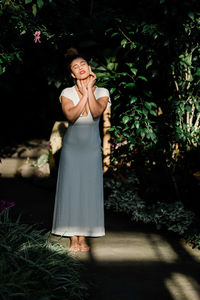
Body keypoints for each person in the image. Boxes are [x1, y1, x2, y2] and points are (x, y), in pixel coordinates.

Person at [51, 50, 111, 252]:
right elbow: (72, 116)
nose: (80, 67)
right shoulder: (67, 93)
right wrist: (84, 93)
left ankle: (83, 237)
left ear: (89, 67)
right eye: (75, 67)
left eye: (83, 63)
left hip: (91, 149)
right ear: (72, 75)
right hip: (72, 149)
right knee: (72, 190)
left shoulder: (102, 92)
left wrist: (90, 90)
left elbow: (95, 112)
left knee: (87, 191)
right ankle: (72, 237)